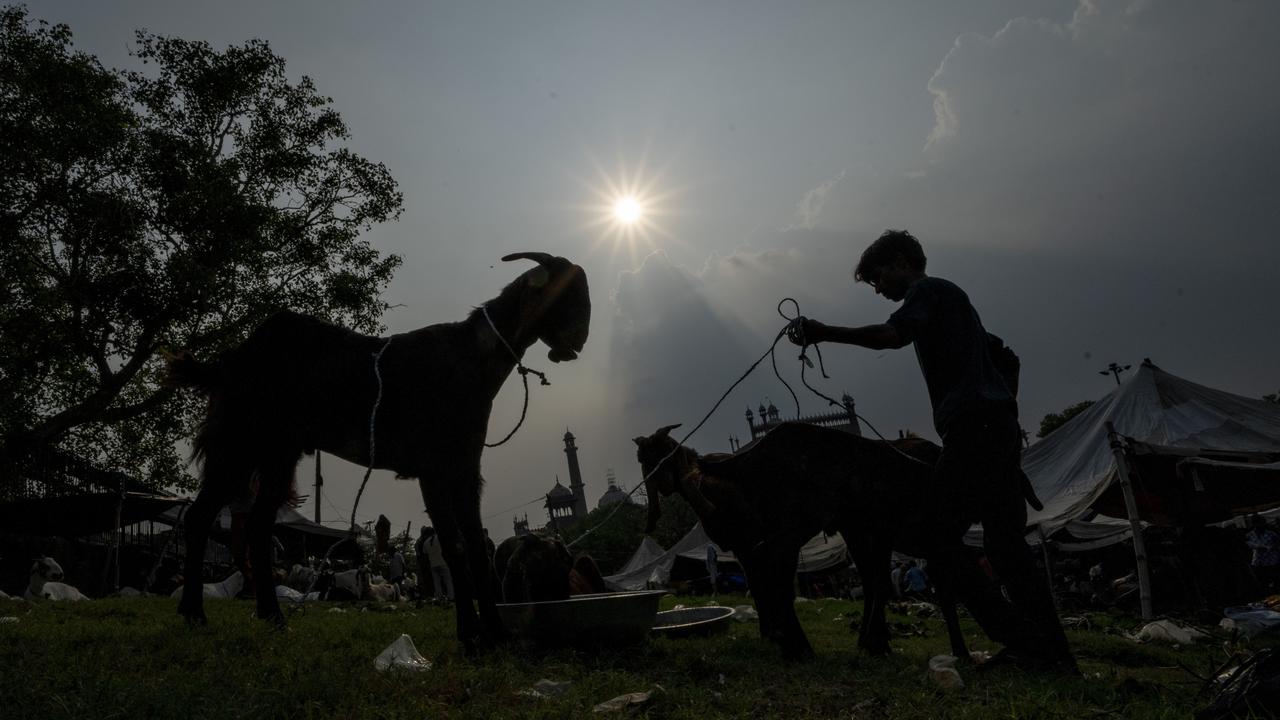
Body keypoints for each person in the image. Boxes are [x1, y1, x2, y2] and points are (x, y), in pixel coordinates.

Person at [788, 229, 1075, 672]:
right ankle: (1053, 654)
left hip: (972, 427)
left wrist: (823, 332)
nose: (878, 289)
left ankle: (1023, 640)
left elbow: (891, 335)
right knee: (1005, 544)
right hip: (994, 426)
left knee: (936, 537)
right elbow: (1007, 358)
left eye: (879, 278)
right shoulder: (958, 305)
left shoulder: (928, 291)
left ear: (902, 262)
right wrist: (1002, 408)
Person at [1246, 515, 1280, 592]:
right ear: (1254, 524)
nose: (1262, 524)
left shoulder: (1271, 534)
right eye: (1260, 522)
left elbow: (1278, 544)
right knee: (1264, 581)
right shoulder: (1249, 535)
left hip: (1272, 560)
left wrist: (1273, 547)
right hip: (1259, 561)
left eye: (1263, 522)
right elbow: (1249, 546)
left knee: (1275, 580)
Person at [423, 526, 454, 603]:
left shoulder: (426, 542)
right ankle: (451, 596)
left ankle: (439, 597)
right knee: (448, 580)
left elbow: (425, 554)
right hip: (442, 562)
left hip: (433, 564)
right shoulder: (439, 538)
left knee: (437, 582)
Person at [414, 526, 436, 606]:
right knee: (429, 581)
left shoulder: (420, 541)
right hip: (426, 563)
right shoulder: (426, 540)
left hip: (423, 563)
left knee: (426, 581)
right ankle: (429, 596)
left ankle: (427, 596)